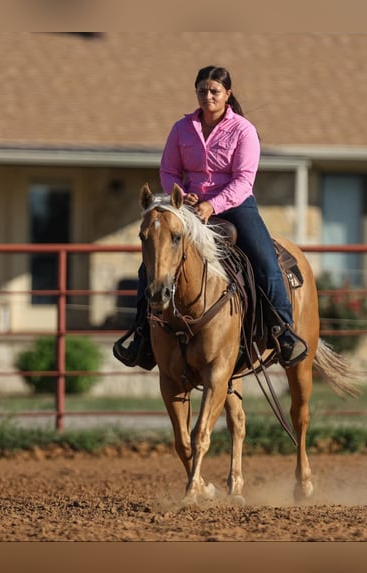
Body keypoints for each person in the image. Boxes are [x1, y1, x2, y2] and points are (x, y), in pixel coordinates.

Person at [113, 65, 308, 369]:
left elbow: (243, 180)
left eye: (214, 91)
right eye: (202, 91)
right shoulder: (181, 129)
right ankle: (141, 335)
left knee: (264, 260)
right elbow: (168, 170)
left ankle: (282, 331)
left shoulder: (243, 130)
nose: (208, 96)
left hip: (235, 204)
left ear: (227, 94)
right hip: (188, 206)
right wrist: (179, 195)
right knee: (151, 264)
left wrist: (212, 205)